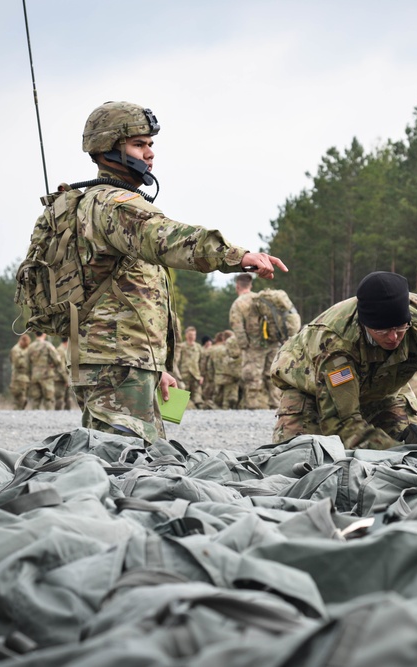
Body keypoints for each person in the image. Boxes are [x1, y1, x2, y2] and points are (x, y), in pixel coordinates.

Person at [60, 100, 286, 442]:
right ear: (107, 149)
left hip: (126, 361)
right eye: (138, 144)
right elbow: (168, 238)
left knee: (144, 462)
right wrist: (236, 256)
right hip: (116, 362)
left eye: (150, 144)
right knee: (123, 466)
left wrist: (156, 368)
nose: (149, 154)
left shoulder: (100, 202)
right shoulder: (113, 205)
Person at [270, 271, 417, 450]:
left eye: (400, 328)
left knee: (409, 451)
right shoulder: (336, 344)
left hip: (383, 390)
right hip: (313, 390)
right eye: (382, 331)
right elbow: (341, 423)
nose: (393, 337)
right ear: (365, 324)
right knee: (302, 457)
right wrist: (393, 451)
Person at [230, 273, 298, 409]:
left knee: (252, 376)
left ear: (237, 286)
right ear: (250, 285)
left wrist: (244, 345)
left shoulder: (239, 303)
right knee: (271, 375)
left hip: (254, 345)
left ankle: (253, 406)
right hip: (272, 342)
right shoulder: (261, 299)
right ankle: (276, 406)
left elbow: (237, 325)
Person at [27, 332, 61, 410]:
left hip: (34, 375)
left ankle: (35, 419)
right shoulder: (48, 345)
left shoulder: (30, 347)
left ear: (35, 334)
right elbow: (57, 360)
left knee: (35, 399)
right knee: (49, 399)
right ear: (44, 334)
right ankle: (49, 419)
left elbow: (27, 362)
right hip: (46, 375)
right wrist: (53, 364)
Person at [174, 326, 204, 408]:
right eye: (190, 335)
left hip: (196, 376)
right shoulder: (182, 347)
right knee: (183, 399)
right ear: (186, 335)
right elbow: (177, 361)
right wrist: (177, 376)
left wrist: (202, 375)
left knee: (198, 399)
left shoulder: (198, 347)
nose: (192, 337)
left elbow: (202, 362)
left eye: (193, 335)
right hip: (184, 375)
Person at [10, 333, 31, 410]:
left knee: (24, 400)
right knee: (19, 399)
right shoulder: (16, 350)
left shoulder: (26, 349)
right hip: (17, 378)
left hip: (25, 378)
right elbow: (17, 363)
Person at [55, 337, 73, 410]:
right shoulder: (60, 350)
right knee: (60, 398)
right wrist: (66, 379)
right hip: (61, 379)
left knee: (68, 399)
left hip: (67, 378)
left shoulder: (66, 350)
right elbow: (61, 367)